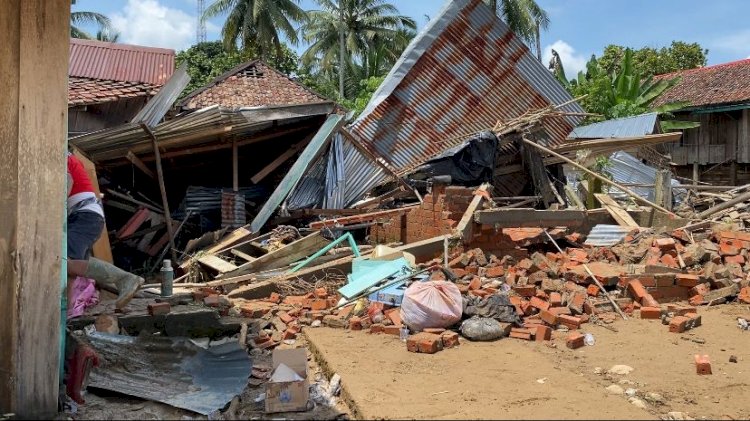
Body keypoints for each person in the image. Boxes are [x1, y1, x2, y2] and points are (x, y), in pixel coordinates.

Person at [67, 151, 143, 309]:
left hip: (84, 216)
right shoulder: (71, 160)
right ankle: (65, 313)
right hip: (88, 216)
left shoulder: (64, 160)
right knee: (73, 266)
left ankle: (123, 278)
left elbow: (60, 195)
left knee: (65, 262)